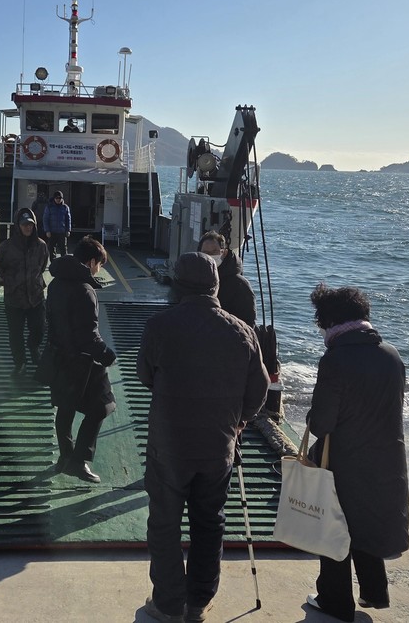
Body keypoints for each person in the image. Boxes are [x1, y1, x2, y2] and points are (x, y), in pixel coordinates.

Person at [136, 252, 270, 622]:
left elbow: (145, 375)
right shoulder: (241, 331)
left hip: (169, 447)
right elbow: (259, 389)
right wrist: (240, 420)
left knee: (164, 523)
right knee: (209, 523)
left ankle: (167, 604)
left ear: (178, 285)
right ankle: (198, 602)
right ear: (216, 286)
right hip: (218, 447)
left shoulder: (159, 326)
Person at [304, 283, 409, 622]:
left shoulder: (335, 360)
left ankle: (334, 601)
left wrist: (310, 417)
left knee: (334, 528)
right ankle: (375, 592)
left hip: (344, 460)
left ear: (330, 321)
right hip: (387, 457)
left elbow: (322, 423)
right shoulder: (391, 355)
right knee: (368, 521)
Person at [46, 236, 117, 484]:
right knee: (103, 405)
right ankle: (78, 461)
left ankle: (65, 457)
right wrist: (107, 355)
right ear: (91, 262)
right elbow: (89, 334)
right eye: (99, 265)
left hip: (58, 356)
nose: (99, 270)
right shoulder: (85, 290)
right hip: (82, 361)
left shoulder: (55, 283)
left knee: (65, 408)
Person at [0, 208, 49, 376]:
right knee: (15, 334)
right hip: (14, 299)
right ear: (18, 226)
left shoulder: (41, 245)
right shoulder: (6, 247)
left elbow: (43, 265)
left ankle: (33, 347)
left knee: (39, 328)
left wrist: (34, 281)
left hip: (35, 297)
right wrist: (11, 281)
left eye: (30, 224)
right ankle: (20, 364)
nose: (27, 227)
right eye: (24, 224)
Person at [197, 231, 256, 328]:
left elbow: (248, 323)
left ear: (224, 253)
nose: (210, 256)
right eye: (206, 253)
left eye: (214, 252)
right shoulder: (194, 279)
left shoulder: (240, 285)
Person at [43, 190, 71, 261]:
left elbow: (68, 220)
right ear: (54, 198)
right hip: (52, 232)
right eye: (56, 198)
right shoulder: (49, 207)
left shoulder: (65, 207)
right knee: (51, 249)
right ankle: (53, 263)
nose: (58, 199)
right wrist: (47, 230)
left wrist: (68, 230)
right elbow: (45, 219)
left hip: (62, 232)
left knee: (63, 249)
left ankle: (64, 263)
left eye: (60, 198)